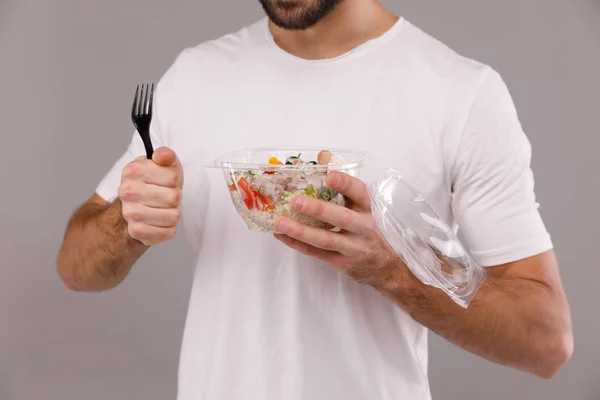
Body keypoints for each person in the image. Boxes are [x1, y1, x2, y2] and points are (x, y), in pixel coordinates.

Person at [56, 0, 574, 399]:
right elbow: (76, 269)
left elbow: (545, 340)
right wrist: (126, 221)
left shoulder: (461, 94)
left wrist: (393, 269)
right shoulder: (195, 77)